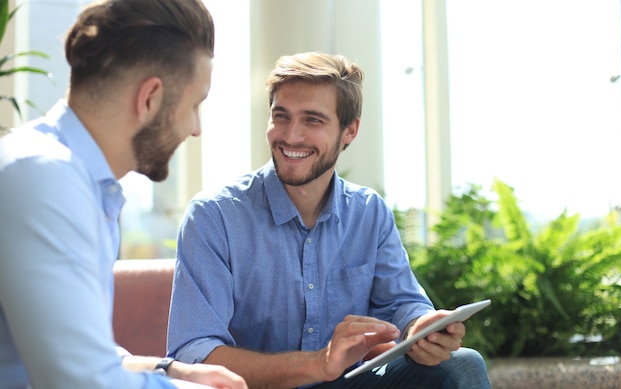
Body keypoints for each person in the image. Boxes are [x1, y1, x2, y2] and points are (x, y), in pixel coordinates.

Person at [167, 51, 491, 388]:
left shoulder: (369, 213)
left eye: (312, 120)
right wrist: (317, 364)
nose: (291, 136)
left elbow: (401, 303)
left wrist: (420, 329)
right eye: (281, 116)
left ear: (349, 130)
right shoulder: (214, 216)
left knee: (462, 365)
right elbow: (194, 353)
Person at [0, 0, 248, 388]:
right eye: (194, 105)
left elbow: (75, 348)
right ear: (150, 99)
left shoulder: (79, 183)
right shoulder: (46, 178)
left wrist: (172, 370)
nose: (196, 128)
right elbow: (80, 381)